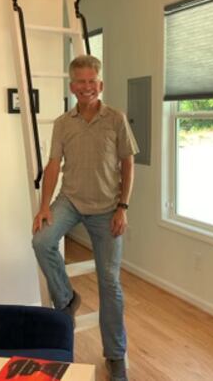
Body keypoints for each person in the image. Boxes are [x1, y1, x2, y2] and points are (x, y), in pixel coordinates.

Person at [32, 54, 138, 381]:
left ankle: (116, 356)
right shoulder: (63, 123)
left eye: (92, 81)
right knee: (42, 240)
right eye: (80, 81)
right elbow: (52, 166)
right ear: (72, 86)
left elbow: (127, 164)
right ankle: (67, 298)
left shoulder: (116, 119)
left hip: (108, 209)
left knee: (110, 285)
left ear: (100, 84)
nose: (86, 87)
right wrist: (44, 206)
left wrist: (123, 207)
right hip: (71, 200)